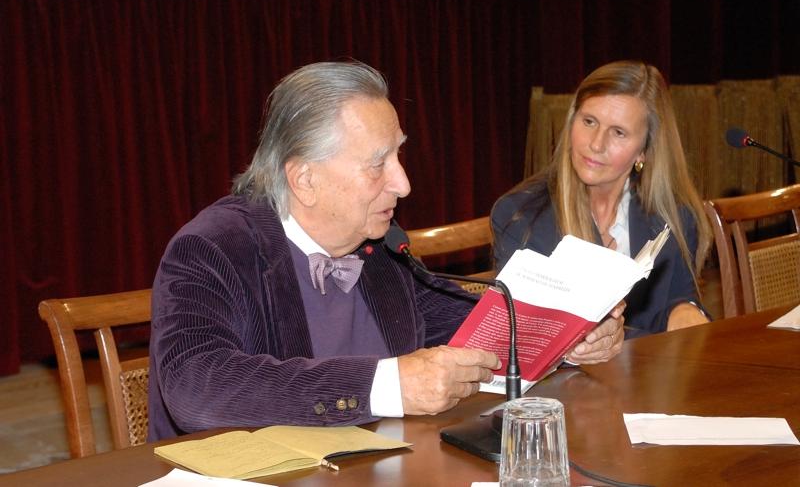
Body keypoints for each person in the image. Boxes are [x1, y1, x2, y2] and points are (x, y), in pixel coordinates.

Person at [148, 61, 624, 441]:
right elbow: (195, 384)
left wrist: (565, 333)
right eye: (378, 164)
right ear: (305, 179)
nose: (403, 183)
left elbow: (462, 324)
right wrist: (386, 386)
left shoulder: (376, 246)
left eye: (398, 155)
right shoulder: (213, 248)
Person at [492, 60, 712, 335]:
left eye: (618, 132)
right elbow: (526, 335)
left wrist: (686, 312)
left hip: (652, 362)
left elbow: (678, 298)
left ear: (644, 151)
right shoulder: (521, 216)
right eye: (589, 121)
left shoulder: (673, 215)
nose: (596, 144)